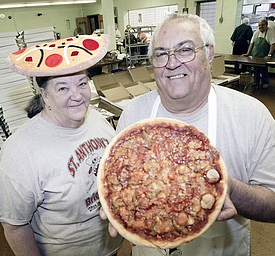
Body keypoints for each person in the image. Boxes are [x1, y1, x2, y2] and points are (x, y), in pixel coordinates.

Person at [101, 13, 275, 256]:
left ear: (210, 53)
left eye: (185, 50)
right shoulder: (133, 114)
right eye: (161, 53)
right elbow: (115, 178)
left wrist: (228, 189)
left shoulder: (251, 115)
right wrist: (123, 206)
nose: (172, 63)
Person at [0, 35, 123, 255]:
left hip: (111, 246)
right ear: (44, 95)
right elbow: (14, 226)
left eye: (82, 83)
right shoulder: (20, 152)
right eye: (62, 88)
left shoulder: (97, 119)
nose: (77, 96)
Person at [243, 19, 275, 88]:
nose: (261, 27)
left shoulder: (271, 32)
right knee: (255, 69)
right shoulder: (256, 32)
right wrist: (248, 53)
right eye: (259, 25)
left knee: (263, 69)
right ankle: (256, 82)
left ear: (266, 25)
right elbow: (251, 44)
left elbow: (273, 44)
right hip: (255, 55)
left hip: (264, 56)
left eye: (263, 25)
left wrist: (269, 55)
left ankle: (265, 82)